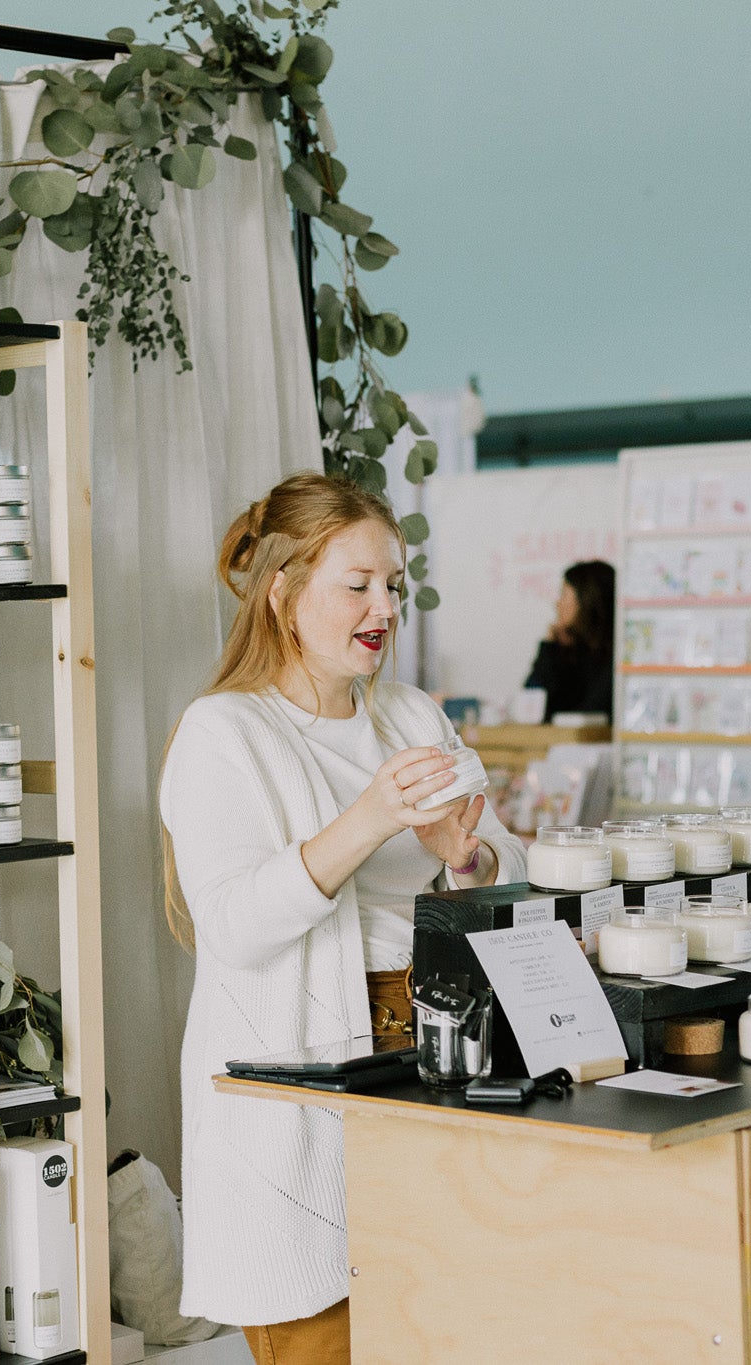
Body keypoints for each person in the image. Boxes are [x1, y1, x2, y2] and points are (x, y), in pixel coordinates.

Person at [159, 472, 527, 1364]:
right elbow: (235, 925)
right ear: (283, 593)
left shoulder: (408, 715)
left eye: (393, 586)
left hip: (431, 1063)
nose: (383, 608)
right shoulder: (225, 732)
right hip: (305, 1080)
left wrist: (460, 853)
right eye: (356, 584)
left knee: (449, 1323)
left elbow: (509, 866)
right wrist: (369, 819)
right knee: (324, 1334)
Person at [523, 559, 615, 720]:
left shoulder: (612, 657)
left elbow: (589, 715)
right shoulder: (563, 650)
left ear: (587, 599)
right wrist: (548, 648)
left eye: (564, 594)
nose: (557, 603)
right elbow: (530, 705)